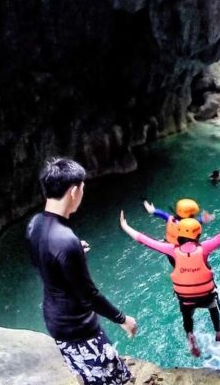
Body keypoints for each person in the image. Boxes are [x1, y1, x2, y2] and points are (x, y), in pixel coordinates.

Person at [26, 158, 137, 385]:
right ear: (74, 191)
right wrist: (123, 319)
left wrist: (75, 255)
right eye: (83, 188)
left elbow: (41, 261)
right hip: (78, 327)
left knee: (86, 376)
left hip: (54, 320)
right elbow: (89, 295)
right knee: (114, 381)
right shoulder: (66, 241)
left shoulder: (35, 224)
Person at [120, 196, 220, 357]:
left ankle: (190, 336)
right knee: (213, 306)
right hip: (206, 296)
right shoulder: (205, 248)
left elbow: (144, 240)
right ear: (198, 233)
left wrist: (125, 226)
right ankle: (219, 332)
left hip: (186, 299)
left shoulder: (171, 250)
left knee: (187, 315)